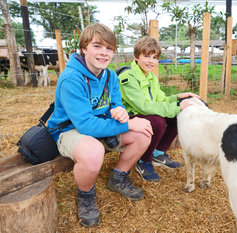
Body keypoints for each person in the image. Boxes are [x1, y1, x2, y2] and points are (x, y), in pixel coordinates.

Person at [48, 23, 153, 228]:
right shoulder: (71, 78)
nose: (104, 53)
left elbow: (116, 103)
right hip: (69, 130)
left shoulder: (110, 75)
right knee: (94, 151)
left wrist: (120, 111)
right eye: (97, 46)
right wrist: (129, 124)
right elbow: (86, 125)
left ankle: (118, 177)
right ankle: (86, 195)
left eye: (109, 48)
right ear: (84, 48)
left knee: (144, 133)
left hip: (99, 126)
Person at [118, 36, 200, 182]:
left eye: (155, 57)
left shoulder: (151, 77)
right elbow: (144, 106)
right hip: (128, 117)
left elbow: (161, 100)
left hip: (144, 113)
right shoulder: (128, 77)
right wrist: (177, 106)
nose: (151, 61)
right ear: (136, 56)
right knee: (157, 122)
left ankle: (158, 153)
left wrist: (179, 98)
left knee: (178, 113)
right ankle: (143, 160)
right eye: (147, 56)